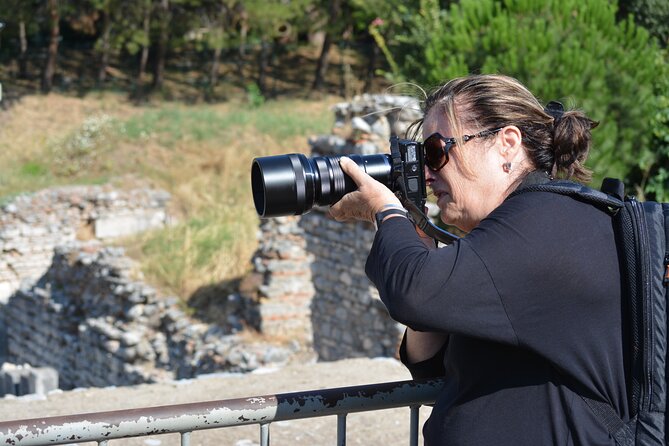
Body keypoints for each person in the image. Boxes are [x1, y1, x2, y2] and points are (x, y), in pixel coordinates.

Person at [329, 74, 627, 445]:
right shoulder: (516, 233)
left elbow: (413, 294)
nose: (427, 172)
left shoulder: (542, 227)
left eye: (437, 151)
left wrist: (384, 210)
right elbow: (429, 363)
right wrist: (419, 238)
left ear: (507, 144)